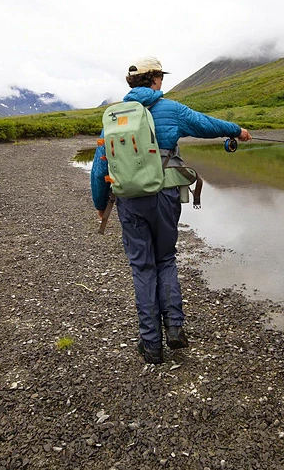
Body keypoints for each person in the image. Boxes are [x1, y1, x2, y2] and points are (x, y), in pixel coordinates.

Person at [90, 56, 251, 365]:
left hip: (130, 202)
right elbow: (207, 125)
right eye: (160, 77)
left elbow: (100, 168)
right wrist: (237, 131)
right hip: (165, 197)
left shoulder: (113, 118)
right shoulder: (171, 109)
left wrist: (100, 206)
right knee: (165, 258)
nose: (162, 82)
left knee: (142, 267)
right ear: (155, 80)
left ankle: (151, 345)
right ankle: (174, 328)